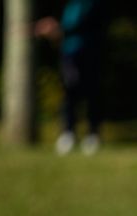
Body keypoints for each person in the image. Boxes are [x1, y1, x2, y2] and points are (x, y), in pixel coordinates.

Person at [34, 0, 107, 155]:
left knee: (91, 92)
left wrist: (56, 28)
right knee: (69, 93)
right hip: (69, 54)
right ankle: (68, 133)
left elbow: (81, 24)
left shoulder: (91, 4)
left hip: (89, 52)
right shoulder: (69, 4)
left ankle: (92, 134)